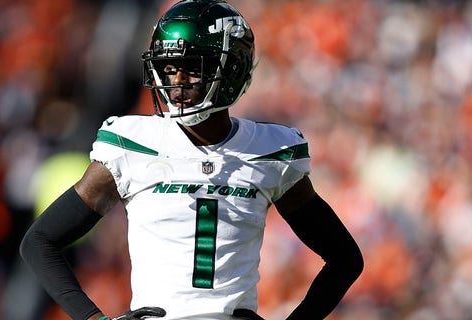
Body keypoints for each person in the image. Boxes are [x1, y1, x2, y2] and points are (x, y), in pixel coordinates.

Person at [19, 1, 364, 319]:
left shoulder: (270, 151)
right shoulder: (132, 144)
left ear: (231, 70)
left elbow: (345, 260)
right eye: (169, 68)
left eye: (190, 69)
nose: (177, 81)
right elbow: (39, 242)